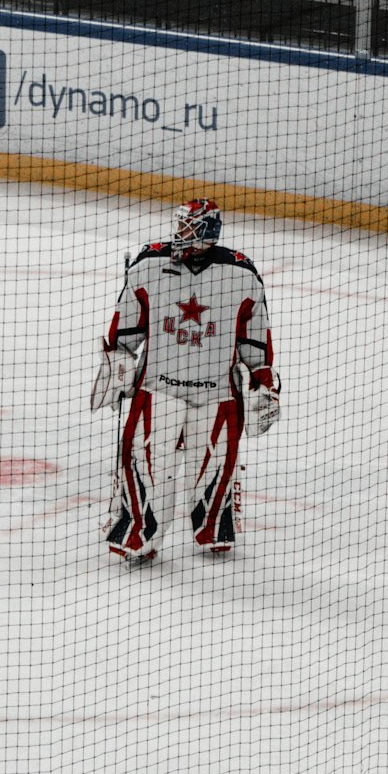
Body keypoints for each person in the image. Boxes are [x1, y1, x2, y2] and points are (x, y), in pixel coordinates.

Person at [92, 199, 280, 566]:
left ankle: (214, 529)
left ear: (208, 231)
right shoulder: (148, 265)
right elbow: (127, 324)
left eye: (189, 227)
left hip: (217, 391)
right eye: (180, 225)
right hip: (157, 387)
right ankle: (138, 533)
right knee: (146, 463)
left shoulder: (242, 273)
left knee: (213, 465)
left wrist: (262, 379)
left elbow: (255, 337)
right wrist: (117, 362)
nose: (180, 233)